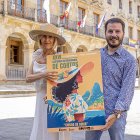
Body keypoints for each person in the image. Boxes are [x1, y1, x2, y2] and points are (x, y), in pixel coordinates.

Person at [86, 18, 137, 140]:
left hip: (116, 114)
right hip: (94, 110)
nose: (114, 35)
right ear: (105, 33)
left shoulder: (129, 60)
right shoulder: (95, 55)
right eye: (110, 31)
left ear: (123, 34)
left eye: (117, 31)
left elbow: (127, 89)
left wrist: (116, 113)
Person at [26, 23, 71, 140]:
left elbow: (67, 81)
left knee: (55, 131)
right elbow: (27, 78)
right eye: (44, 36)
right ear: (40, 38)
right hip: (40, 98)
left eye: (50, 37)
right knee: (41, 126)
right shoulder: (36, 56)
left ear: (55, 40)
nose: (47, 40)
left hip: (55, 99)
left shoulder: (59, 58)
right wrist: (43, 74)